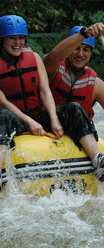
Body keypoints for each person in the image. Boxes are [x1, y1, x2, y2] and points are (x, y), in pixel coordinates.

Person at [0, 15, 63, 191]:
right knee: (3, 114)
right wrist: (30, 122)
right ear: (1, 39)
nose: (18, 42)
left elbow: (45, 91)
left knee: (73, 109)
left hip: (38, 115)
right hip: (14, 120)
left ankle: (97, 158)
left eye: (21, 38)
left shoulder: (35, 57)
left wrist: (54, 119)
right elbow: (2, 102)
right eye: (12, 38)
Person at [43, 23, 104, 182]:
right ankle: (97, 158)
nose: (80, 54)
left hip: (78, 136)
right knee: (74, 108)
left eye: (86, 49)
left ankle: (97, 159)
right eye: (77, 48)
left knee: (75, 109)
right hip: (48, 128)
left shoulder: (96, 84)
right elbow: (54, 55)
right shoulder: (52, 68)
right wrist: (84, 34)